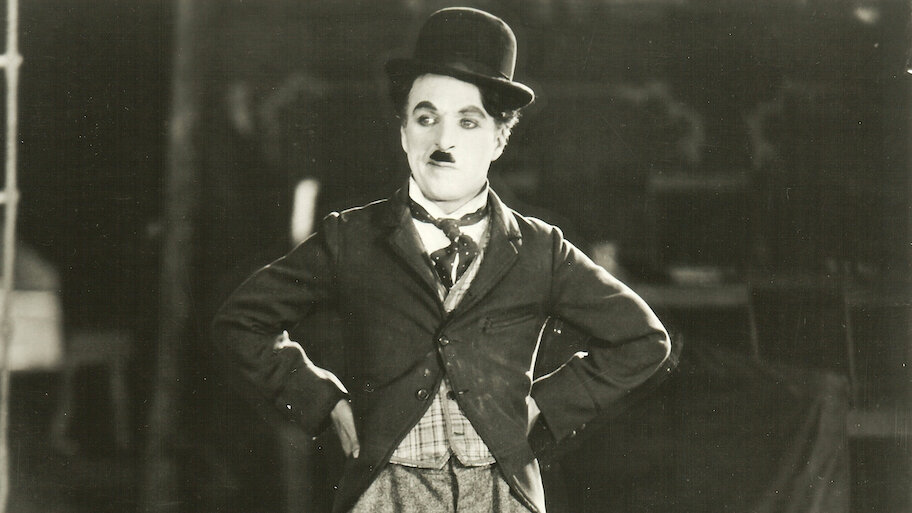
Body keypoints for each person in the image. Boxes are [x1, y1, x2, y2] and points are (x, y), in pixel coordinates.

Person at [212, 7, 672, 513]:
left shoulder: (540, 249)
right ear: (403, 132)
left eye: (468, 122)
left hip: (501, 492)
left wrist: (544, 407)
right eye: (426, 118)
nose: (443, 141)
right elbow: (243, 322)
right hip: (386, 490)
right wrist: (324, 403)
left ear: (499, 138)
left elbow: (643, 340)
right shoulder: (351, 238)